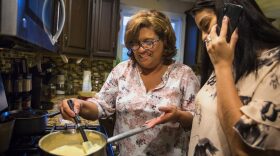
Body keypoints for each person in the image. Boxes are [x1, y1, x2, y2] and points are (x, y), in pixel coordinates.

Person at [146, 0, 280, 155]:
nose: (203, 37)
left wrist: (222, 66)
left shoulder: (273, 66)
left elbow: (245, 149)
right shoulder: (230, 60)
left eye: (205, 25)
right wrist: (179, 116)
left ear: (233, 15)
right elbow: (209, 119)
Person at [60, 10, 200, 156]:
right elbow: (101, 106)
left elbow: (197, 120)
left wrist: (178, 115)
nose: (140, 50)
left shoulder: (184, 74)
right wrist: (80, 105)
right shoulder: (122, 70)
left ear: (164, 41)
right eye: (134, 43)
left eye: (148, 42)